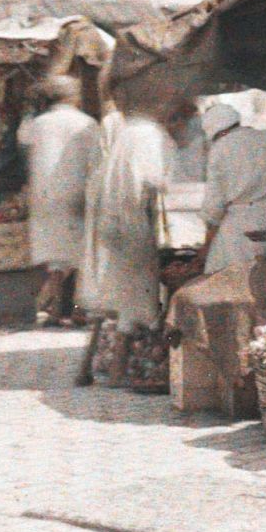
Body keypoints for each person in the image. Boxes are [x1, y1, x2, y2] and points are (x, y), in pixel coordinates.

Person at [76, 106, 169, 384]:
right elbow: (151, 181)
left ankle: (94, 369)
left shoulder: (126, 136)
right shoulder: (143, 134)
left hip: (113, 224)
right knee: (136, 298)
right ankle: (130, 369)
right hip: (131, 225)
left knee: (117, 301)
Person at [17, 77, 100, 324]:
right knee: (81, 257)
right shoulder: (86, 122)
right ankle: (74, 310)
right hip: (78, 194)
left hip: (44, 195)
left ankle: (53, 309)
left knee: (56, 256)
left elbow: (22, 139)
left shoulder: (38, 123)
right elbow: (95, 160)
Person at [198, 102, 266, 276]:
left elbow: (214, 203)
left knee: (236, 278)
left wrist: (207, 239)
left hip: (242, 222)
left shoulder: (220, 148)